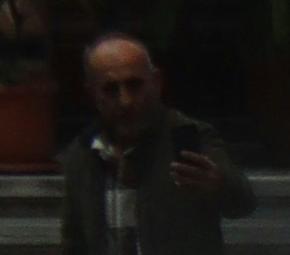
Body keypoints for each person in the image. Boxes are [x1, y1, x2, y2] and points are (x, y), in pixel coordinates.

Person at [60, 33, 233, 255]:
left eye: (134, 85)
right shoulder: (83, 154)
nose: (126, 101)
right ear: (91, 93)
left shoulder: (189, 136)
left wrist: (219, 184)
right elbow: (74, 241)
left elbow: (242, 201)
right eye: (111, 89)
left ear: (157, 81)